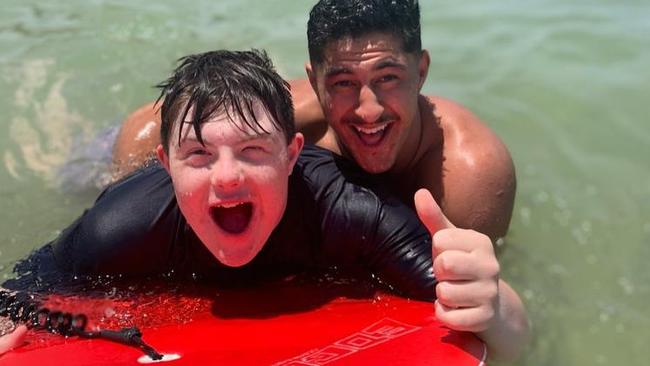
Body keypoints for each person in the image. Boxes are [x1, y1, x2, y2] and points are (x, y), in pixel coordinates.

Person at [1, 49, 527, 361]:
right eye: (200, 156)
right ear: (167, 164)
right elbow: (13, 295)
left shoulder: (350, 211)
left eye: (253, 152)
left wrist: (495, 306)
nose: (227, 177)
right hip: (129, 156)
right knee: (79, 170)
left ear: (293, 154)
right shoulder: (121, 225)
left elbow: (503, 329)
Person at [111, 0, 515, 243]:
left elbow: (472, 295)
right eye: (343, 82)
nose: (368, 108)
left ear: (421, 70)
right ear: (314, 81)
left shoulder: (470, 173)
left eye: (388, 77)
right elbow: (143, 128)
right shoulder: (297, 116)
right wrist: (120, 190)